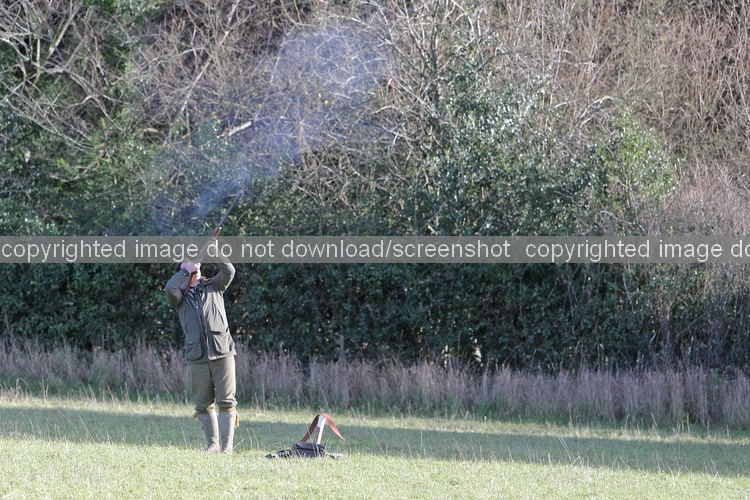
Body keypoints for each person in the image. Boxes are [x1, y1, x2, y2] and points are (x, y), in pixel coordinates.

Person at [165, 249, 238, 453]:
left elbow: (229, 271)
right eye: (186, 266)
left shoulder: (214, 284)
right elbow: (169, 287)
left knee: (226, 400)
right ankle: (213, 444)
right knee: (203, 403)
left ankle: (227, 447)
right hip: (197, 355)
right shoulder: (178, 296)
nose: (192, 268)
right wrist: (186, 270)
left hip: (222, 350)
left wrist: (215, 252)